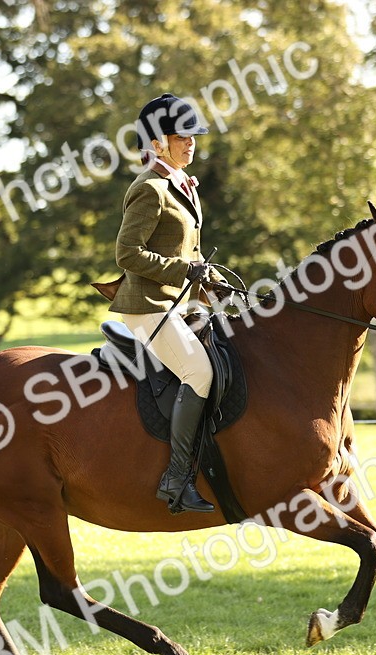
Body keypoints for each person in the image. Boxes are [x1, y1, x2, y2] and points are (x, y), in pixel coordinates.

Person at [101, 93, 216, 514]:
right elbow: (127, 254)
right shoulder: (149, 188)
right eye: (182, 136)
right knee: (199, 372)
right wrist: (185, 272)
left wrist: (216, 283)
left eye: (193, 137)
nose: (191, 143)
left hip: (180, 303)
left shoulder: (183, 185)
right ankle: (176, 479)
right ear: (156, 143)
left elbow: (192, 253)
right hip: (148, 304)